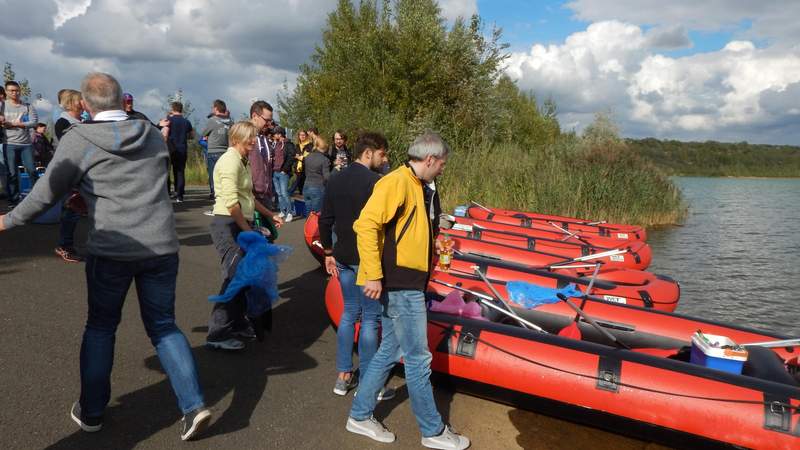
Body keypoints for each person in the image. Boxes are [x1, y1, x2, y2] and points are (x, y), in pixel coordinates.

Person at [0, 72, 210, 441]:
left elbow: (46, 192)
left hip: (113, 248)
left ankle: (93, 411)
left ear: (84, 105)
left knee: (101, 328)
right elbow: (155, 174)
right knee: (163, 327)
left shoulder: (78, 138)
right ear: (120, 99)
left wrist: (8, 219)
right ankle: (193, 406)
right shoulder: (149, 133)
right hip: (160, 245)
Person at [346, 131, 469, 449]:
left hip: (410, 281)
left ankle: (359, 415)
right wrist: (372, 275)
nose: (443, 168)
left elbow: (411, 227)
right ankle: (432, 430)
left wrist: (436, 237)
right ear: (430, 159)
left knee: (390, 350)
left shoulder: (423, 186)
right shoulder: (396, 182)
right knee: (418, 358)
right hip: (400, 285)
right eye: (442, 163)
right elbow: (366, 224)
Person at [319, 132, 393, 398]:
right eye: (383, 154)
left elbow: (324, 219)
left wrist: (328, 251)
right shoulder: (378, 183)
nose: (385, 159)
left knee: (350, 314)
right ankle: (372, 381)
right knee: (372, 320)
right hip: (367, 260)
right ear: (368, 152)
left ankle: (343, 375)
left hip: (342, 255)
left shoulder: (336, 179)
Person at [206, 120, 282, 350]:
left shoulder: (242, 160)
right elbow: (231, 204)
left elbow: (248, 197)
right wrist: (249, 232)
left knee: (244, 278)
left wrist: (271, 214)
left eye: (255, 137)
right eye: (251, 137)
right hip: (228, 225)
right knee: (235, 278)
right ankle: (217, 334)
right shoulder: (230, 162)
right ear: (237, 138)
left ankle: (237, 323)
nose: (254, 141)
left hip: (239, 223)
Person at [53, 89, 86, 263]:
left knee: (79, 207)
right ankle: (65, 246)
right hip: (70, 170)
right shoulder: (63, 122)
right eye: (81, 100)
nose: (84, 103)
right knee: (71, 208)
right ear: (73, 102)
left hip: (83, 170)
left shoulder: (82, 121)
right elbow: (72, 146)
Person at [2, 80, 39, 206]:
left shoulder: (28, 106)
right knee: (11, 173)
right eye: (11, 90)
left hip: (26, 145)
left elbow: (34, 123)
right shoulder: (2, 106)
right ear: (6, 92)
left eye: (17, 90)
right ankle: (14, 199)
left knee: (32, 171)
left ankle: (37, 197)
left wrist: (14, 124)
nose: (15, 93)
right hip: (9, 143)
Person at [201, 99, 233, 200]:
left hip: (214, 152)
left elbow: (203, 134)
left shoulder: (212, 120)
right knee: (225, 177)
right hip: (226, 152)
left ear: (216, 108)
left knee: (214, 177)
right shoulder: (231, 122)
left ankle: (217, 200)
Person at [248, 101, 275, 210]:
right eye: (266, 120)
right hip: (251, 197)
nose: (269, 124)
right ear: (255, 116)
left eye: (270, 121)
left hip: (266, 196)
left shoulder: (264, 138)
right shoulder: (242, 137)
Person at [166, 102, 193, 202]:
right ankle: (179, 195)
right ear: (182, 109)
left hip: (170, 148)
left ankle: (167, 193)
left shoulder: (169, 120)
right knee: (180, 172)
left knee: (167, 171)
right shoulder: (186, 122)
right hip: (182, 149)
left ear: (172, 109)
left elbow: (164, 133)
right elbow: (192, 136)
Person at [271, 126, 296, 222]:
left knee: (285, 193)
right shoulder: (275, 144)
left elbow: (291, 157)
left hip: (283, 173)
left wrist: (285, 169)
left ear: (279, 134)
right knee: (279, 194)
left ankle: (289, 213)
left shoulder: (288, 144)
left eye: (275, 134)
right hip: (275, 172)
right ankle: (282, 211)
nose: (274, 136)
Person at [302, 135, 330, 213]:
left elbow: (306, 172)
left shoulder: (307, 157)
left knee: (309, 213)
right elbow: (327, 177)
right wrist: (335, 169)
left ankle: (307, 225)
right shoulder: (325, 160)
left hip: (306, 186)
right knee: (316, 215)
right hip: (318, 187)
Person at [288, 128, 312, 196]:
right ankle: (293, 192)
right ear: (298, 136)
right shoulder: (297, 145)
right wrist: (297, 157)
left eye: (303, 135)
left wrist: (299, 157)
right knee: (299, 182)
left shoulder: (310, 145)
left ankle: (290, 192)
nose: (302, 136)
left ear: (306, 136)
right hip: (298, 167)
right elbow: (294, 155)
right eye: (300, 135)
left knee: (300, 181)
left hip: (306, 167)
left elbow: (308, 158)